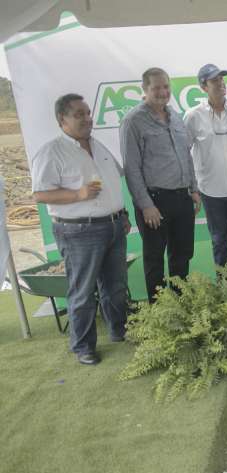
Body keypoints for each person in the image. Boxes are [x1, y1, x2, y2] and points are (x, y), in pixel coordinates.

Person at [31, 94, 130, 365]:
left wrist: (123, 213)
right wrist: (78, 194)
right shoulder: (51, 152)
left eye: (87, 113)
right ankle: (83, 346)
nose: (87, 118)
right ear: (62, 120)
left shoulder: (99, 146)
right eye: (79, 114)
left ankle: (118, 330)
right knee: (83, 291)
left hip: (112, 226)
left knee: (115, 286)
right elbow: (40, 195)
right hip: (79, 232)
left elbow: (113, 183)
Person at [120, 67, 201, 302]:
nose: (162, 92)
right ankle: (160, 313)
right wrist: (146, 205)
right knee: (155, 259)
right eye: (156, 87)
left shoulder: (175, 116)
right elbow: (131, 168)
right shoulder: (133, 121)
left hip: (182, 198)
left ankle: (181, 305)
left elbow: (186, 155)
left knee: (182, 255)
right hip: (154, 202)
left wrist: (193, 189)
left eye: (166, 86)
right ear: (144, 90)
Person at [184, 64, 227, 267]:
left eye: (221, 79)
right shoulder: (193, 116)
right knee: (219, 241)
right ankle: (225, 288)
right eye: (214, 80)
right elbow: (183, 153)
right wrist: (192, 187)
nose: (220, 83)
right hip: (210, 191)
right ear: (204, 87)